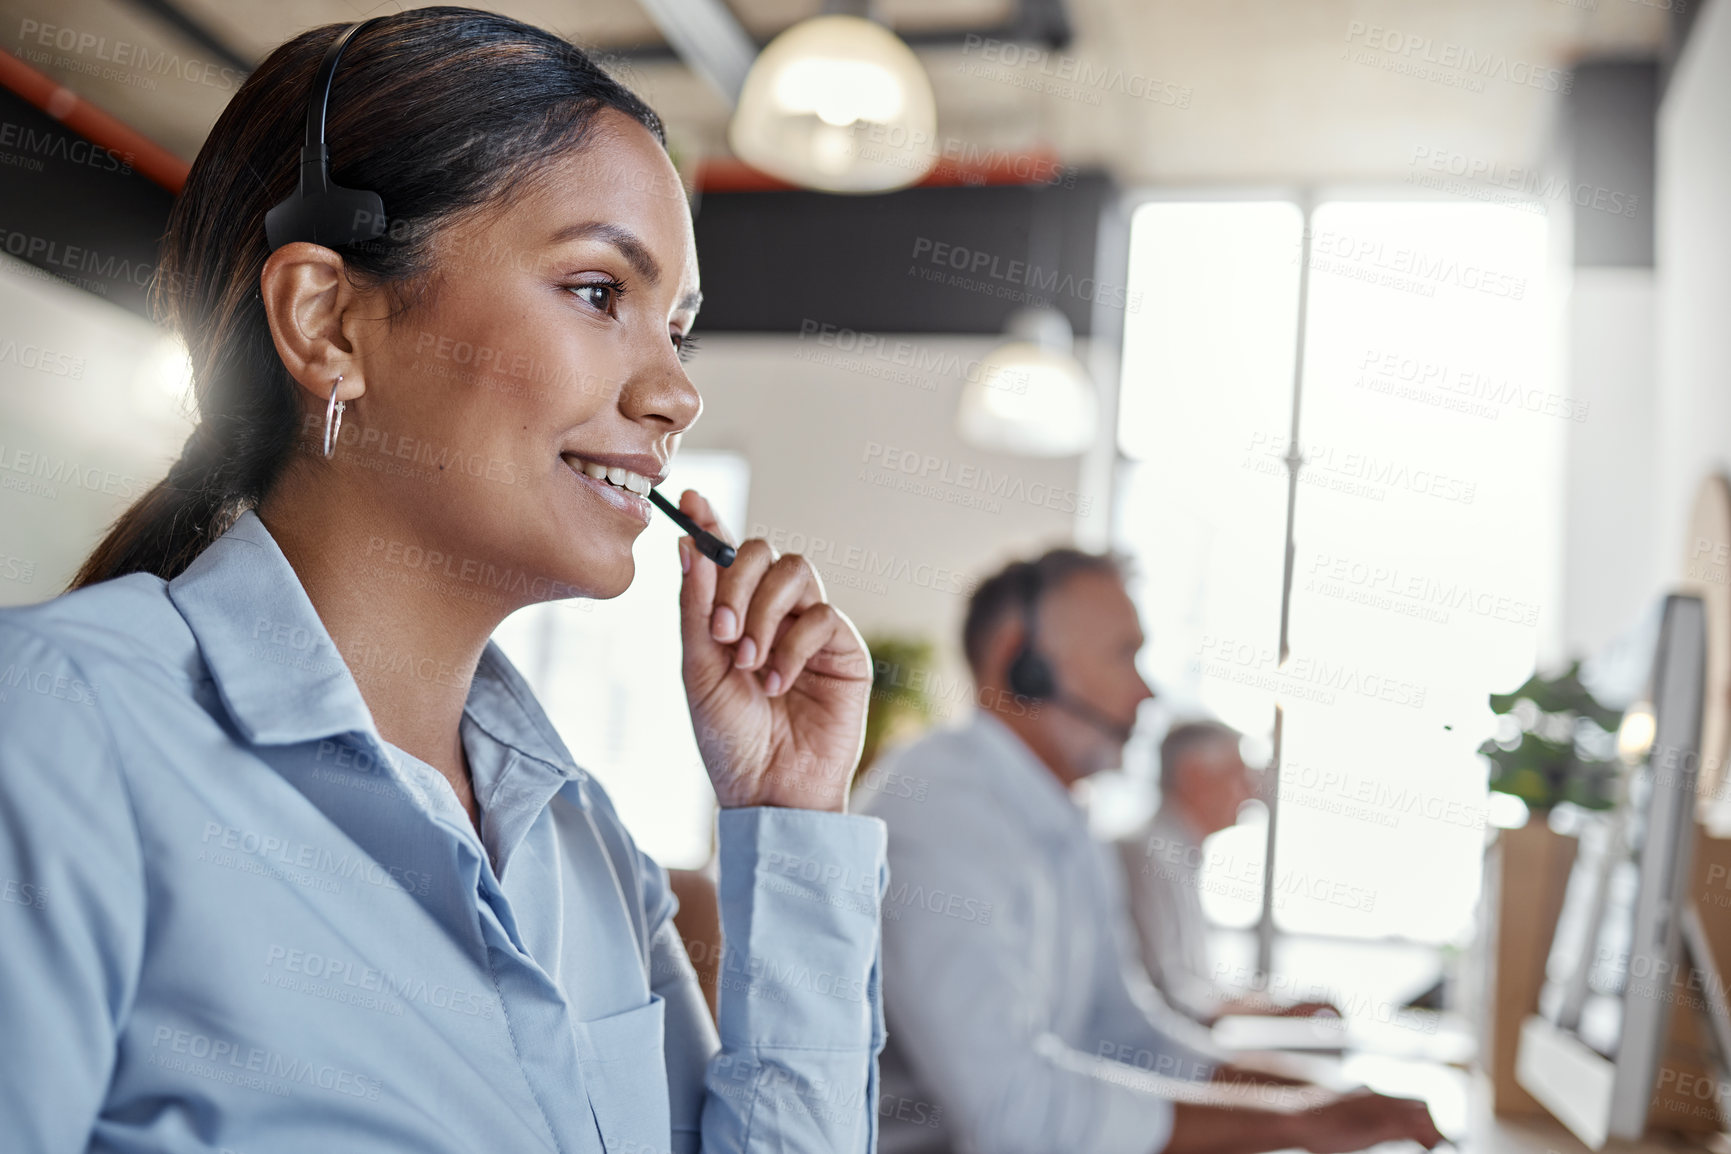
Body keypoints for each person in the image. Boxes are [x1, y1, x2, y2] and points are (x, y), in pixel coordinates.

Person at [0, 10, 888, 1152]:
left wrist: (790, 814)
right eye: (598, 292)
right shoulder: (58, 727)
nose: (677, 392)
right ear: (328, 322)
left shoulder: (586, 847)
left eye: (680, 328)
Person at [857, 549, 1443, 1154]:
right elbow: (1014, 1112)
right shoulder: (939, 810)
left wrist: (1320, 1098)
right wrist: (1294, 1124)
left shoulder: (1065, 820)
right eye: (1124, 654)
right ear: (1021, 662)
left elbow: (1129, 1035)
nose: (1146, 693)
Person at [1117, 722, 1341, 1025]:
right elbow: (1168, 996)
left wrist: (1272, 1006)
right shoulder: (1145, 855)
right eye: (1240, 774)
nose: (1252, 792)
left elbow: (1192, 987)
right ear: (1195, 775)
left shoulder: (1172, 856)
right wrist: (1274, 1012)